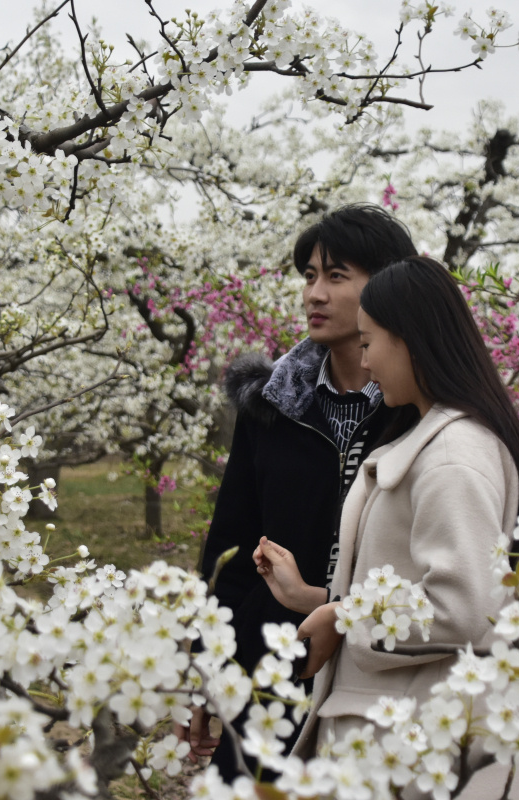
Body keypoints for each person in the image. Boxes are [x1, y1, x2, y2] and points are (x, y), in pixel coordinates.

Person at [253, 255, 519, 799]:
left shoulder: (453, 456)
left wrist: (343, 616)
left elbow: (458, 610)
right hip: (396, 734)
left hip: (414, 744)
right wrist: (316, 598)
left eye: (368, 342)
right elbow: (422, 585)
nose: (363, 360)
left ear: (409, 340)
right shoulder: (434, 440)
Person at [185, 204, 419, 779]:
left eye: (337, 276)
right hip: (269, 667)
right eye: (309, 276)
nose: (315, 293)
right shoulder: (271, 405)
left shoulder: (417, 415)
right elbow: (229, 551)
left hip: (379, 667)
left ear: (386, 288)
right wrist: (205, 671)